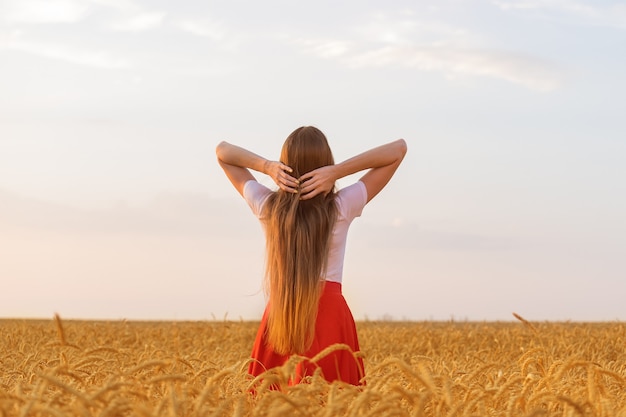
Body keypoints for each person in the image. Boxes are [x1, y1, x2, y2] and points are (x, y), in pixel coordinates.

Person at [216, 126, 407, 385]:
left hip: (283, 316)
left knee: (274, 405)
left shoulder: (266, 206)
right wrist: (338, 171)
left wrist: (267, 167)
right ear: (325, 165)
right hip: (331, 318)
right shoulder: (342, 206)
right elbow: (398, 150)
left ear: (286, 165)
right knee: (337, 404)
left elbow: (223, 152)